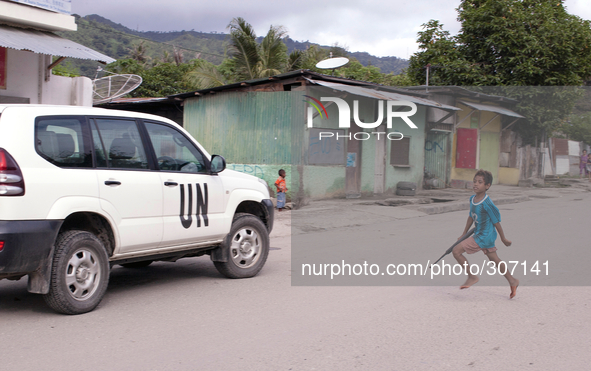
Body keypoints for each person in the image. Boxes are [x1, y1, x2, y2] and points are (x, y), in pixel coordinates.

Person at [452, 169, 519, 299]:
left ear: (487, 186)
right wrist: (464, 234)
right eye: (474, 181)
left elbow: (496, 222)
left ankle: (472, 276)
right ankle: (512, 280)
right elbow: (471, 217)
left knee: (456, 251)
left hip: (485, 236)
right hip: (481, 234)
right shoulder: (472, 199)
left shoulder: (487, 203)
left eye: (480, 182)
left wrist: (503, 238)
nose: (476, 184)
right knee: (495, 260)